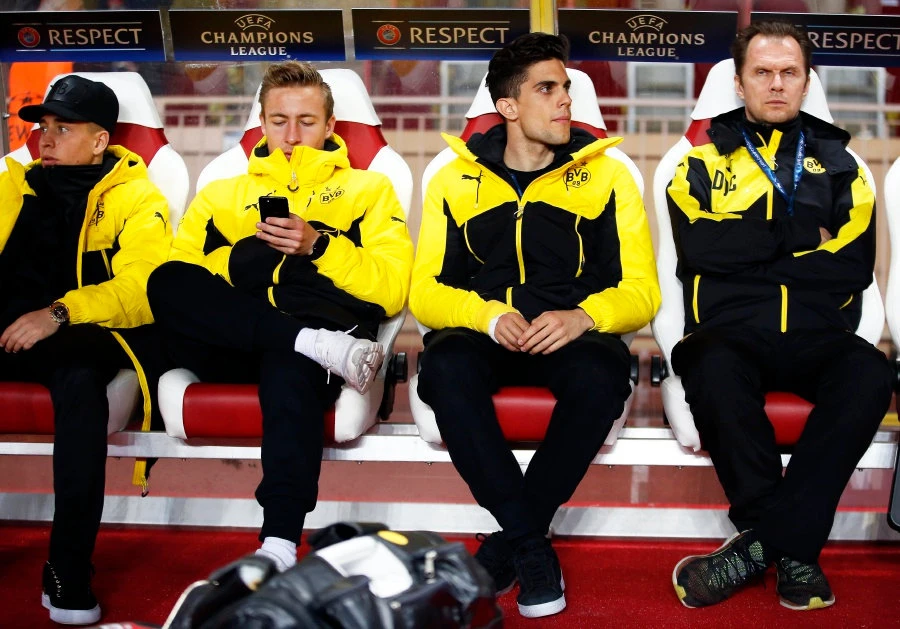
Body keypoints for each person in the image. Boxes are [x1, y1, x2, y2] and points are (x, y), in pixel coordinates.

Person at [410, 33, 660, 619]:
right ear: (508, 106)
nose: (566, 99)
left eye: (565, 87)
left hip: (571, 333)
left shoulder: (610, 176)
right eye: (547, 89)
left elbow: (642, 291)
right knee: (443, 368)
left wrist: (584, 316)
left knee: (602, 377)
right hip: (485, 332)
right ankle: (530, 543)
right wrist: (487, 315)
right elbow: (426, 292)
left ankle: (511, 540)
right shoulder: (452, 178)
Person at [147, 61, 413, 573]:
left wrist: (319, 246)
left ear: (330, 125)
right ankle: (308, 340)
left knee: (288, 367)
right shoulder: (221, 193)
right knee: (165, 281)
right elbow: (184, 275)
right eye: (279, 121)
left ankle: (279, 543)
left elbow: (389, 290)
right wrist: (247, 257)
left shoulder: (369, 189)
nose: (291, 136)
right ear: (262, 123)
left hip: (310, 346)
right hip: (237, 342)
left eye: (306, 122)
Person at [667, 21, 894, 611]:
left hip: (819, 334)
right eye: (762, 72)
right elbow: (701, 249)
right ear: (739, 83)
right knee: (710, 367)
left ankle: (759, 547)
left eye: (788, 72)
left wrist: (747, 251)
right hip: (728, 333)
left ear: (805, 81)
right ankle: (795, 553)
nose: (775, 84)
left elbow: (851, 265)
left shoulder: (843, 165)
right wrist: (798, 237)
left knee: (871, 372)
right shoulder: (697, 162)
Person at [0, 75, 173, 625]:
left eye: (64, 129)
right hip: (7, 327)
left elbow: (142, 288)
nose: (46, 139)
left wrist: (56, 314)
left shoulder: (137, 196)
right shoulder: (11, 183)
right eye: (44, 127)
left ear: (100, 141)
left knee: (80, 383)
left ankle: (67, 566)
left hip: (81, 333)